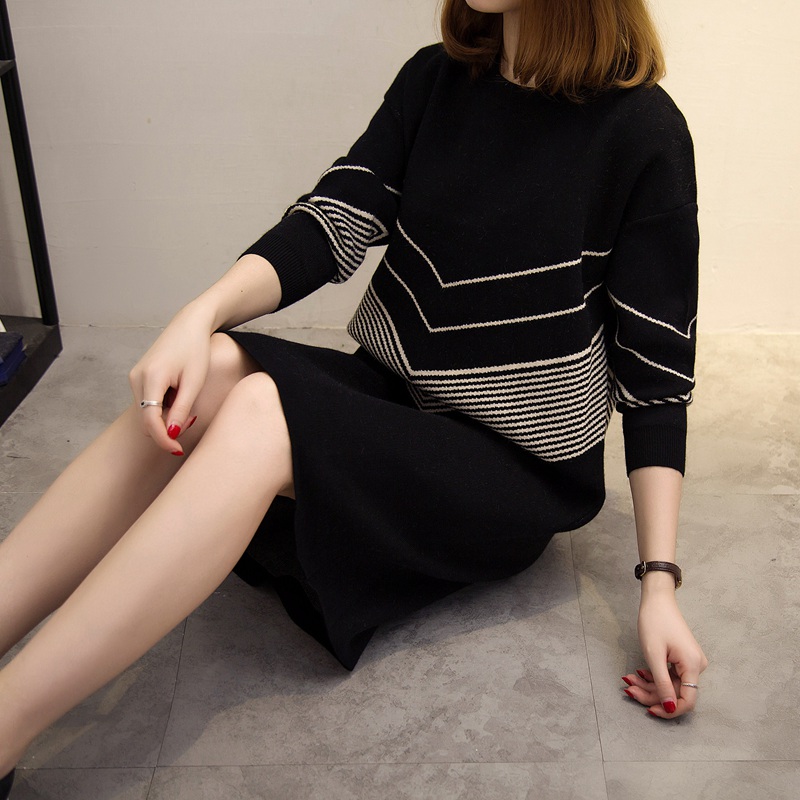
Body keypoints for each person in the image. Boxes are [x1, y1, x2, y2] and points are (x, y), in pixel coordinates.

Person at [0, 0, 708, 794]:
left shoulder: (642, 131)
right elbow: (332, 221)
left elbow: (656, 375)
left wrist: (658, 583)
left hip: (512, 474)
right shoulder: (438, 79)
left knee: (262, 414)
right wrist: (197, 316)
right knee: (217, 366)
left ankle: (5, 725)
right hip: (394, 400)